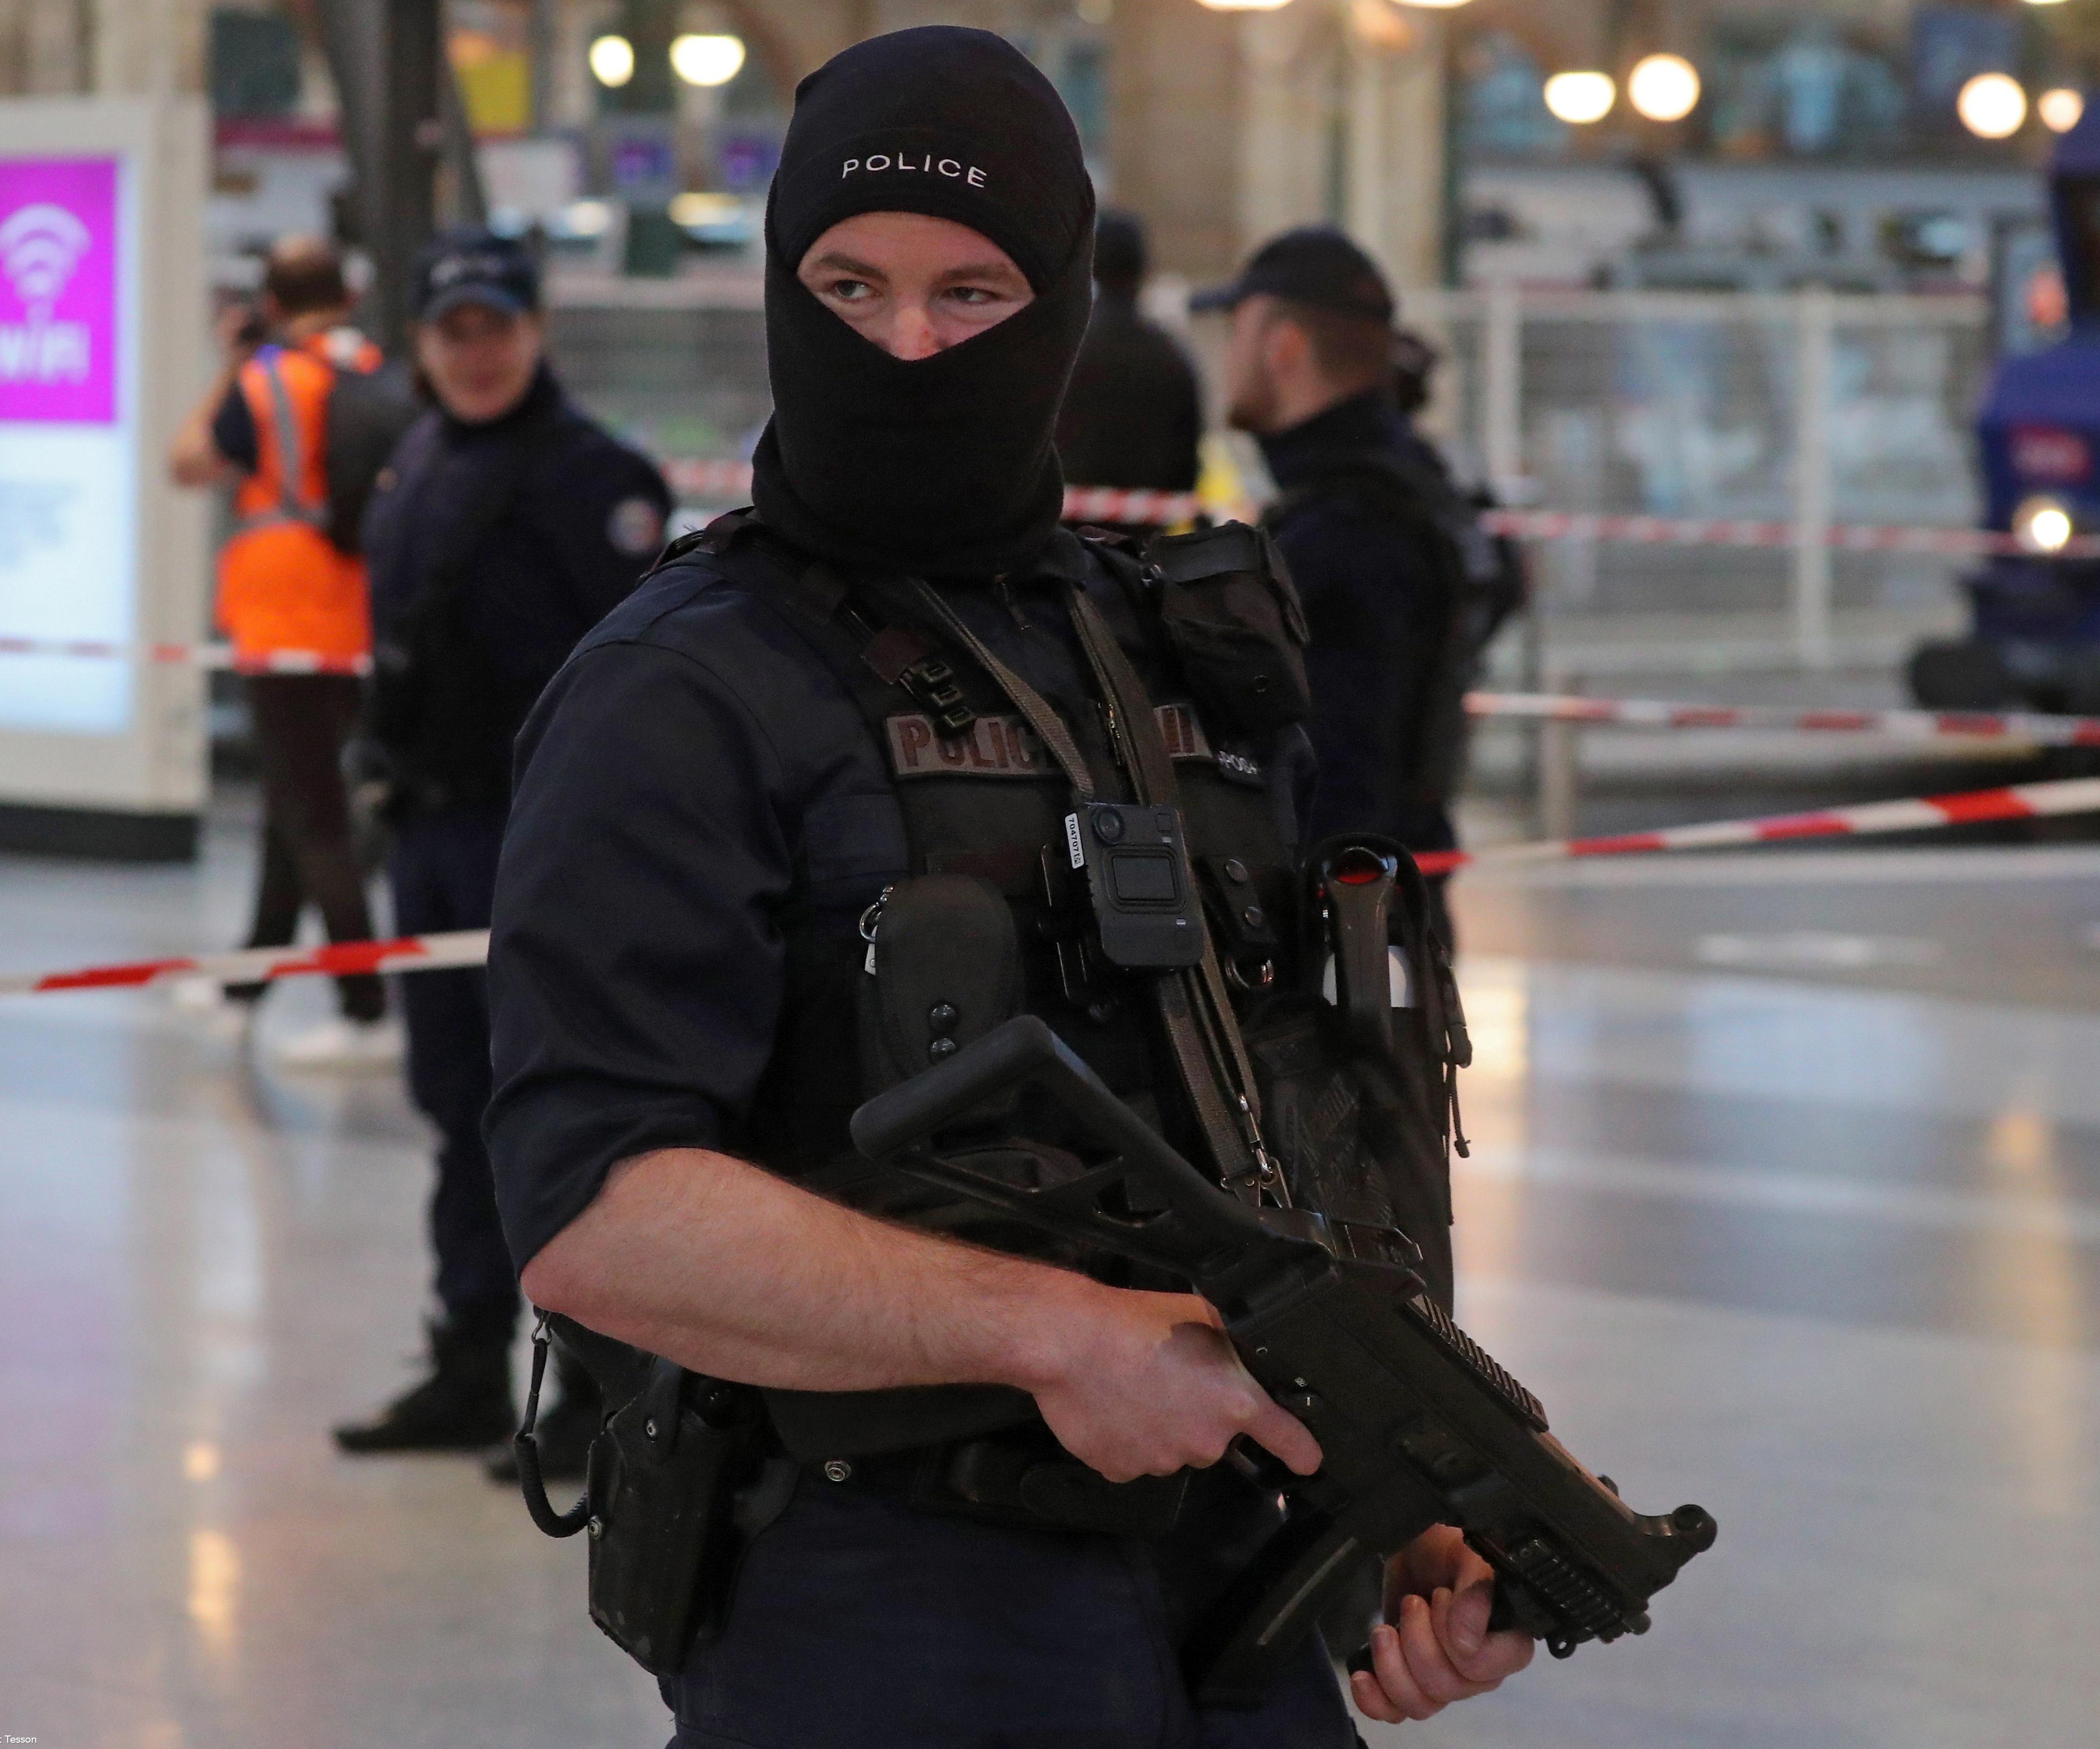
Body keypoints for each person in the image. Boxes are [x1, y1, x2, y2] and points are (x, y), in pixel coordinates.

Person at [486, 27, 1531, 1745]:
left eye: (969, 294)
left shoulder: (1163, 651)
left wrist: (1403, 1482)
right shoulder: (678, 689)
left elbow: (1275, 1111)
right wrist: (1056, 1335)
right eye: (847, 282)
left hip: (1236, 1575)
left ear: (1055, 310)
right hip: (877, 1596)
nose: (903, 343)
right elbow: (597, 1209)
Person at [331, 228, 672, 1463]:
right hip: (433, 831)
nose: (476, 352)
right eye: (452, 331)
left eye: (496, 327)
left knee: (558, 1114)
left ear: (535, 333)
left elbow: (636, 682)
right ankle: (470, 1357)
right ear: (423, 345)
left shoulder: (595, 478)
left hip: (540, 850)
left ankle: (598, 1380)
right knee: (453, 1103)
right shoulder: (420, 458)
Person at [1199, 229, 1508, 878]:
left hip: (1348, 925)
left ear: (1283, 345)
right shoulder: (1420, 482)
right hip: (1401, 902)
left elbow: (1336, 783)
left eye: (1238, 332)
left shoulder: (1343, 529)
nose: (1228, 356)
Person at [168, 237, 393, 1067]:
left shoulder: (267, 380)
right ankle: (244, 990)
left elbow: (187, 461)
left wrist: (232, 363)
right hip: (357, 616)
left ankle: (365, 1005)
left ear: (269, 303)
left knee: (318, 819)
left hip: (284, 616)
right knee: (291, 813)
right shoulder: (373, 367)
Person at [1054, 209, 1204, 525]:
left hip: (1065, 543)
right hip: (1145, 552)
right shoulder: (1171, 356)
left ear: (1091, 263)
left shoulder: (1062, 348)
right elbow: (1188, 462)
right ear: (1144, 268)